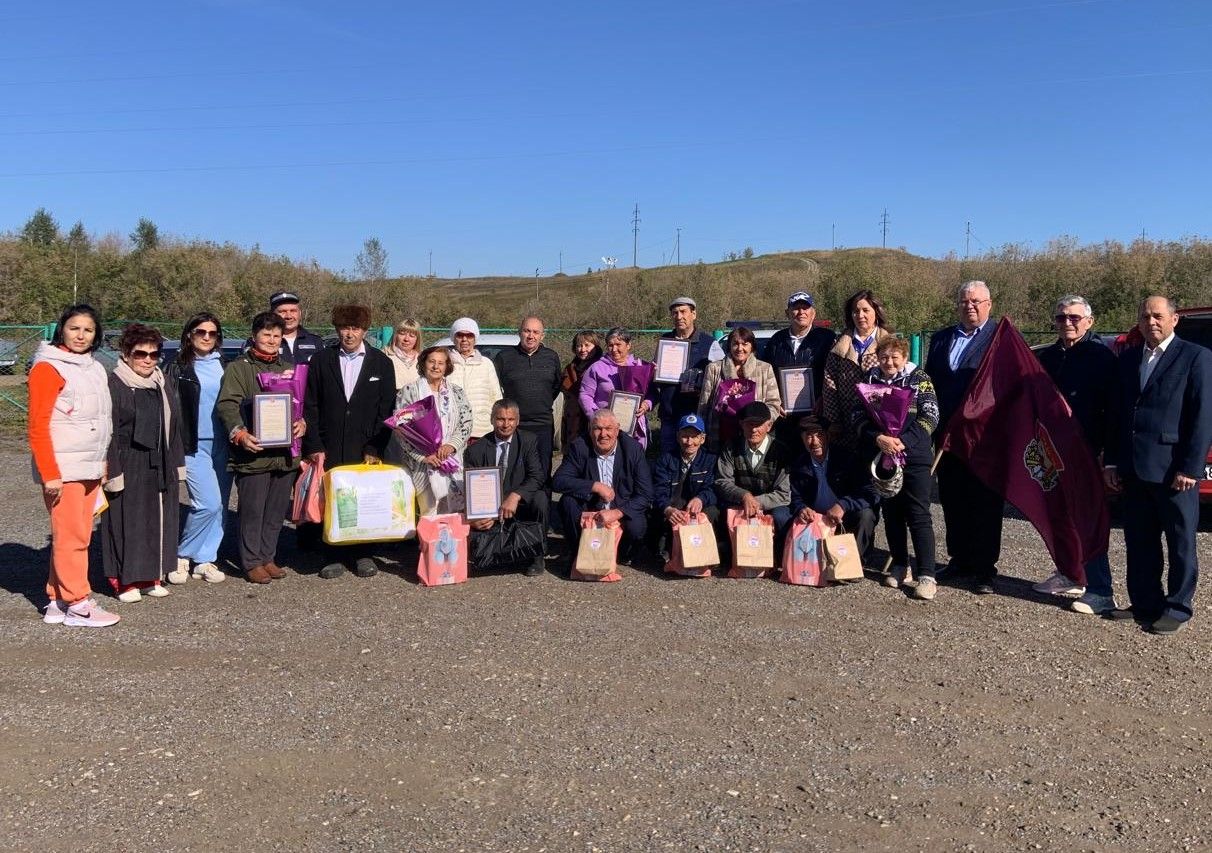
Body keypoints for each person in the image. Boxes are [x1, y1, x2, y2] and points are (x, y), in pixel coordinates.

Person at [1104, 296, 1212, 635]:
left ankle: (1178, 607)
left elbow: (1201, 417)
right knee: (1140, 541)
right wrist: (1112, 460)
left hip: (1173, 470)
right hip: (1135, 467)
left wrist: (1191, 468)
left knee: (1180, 542)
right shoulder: (1129, 358)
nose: (1151, 322)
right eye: (1145, 316)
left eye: (1158, 316)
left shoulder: (1196, 357)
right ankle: (1144, 603)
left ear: (1174, 319)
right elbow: (1119, 414)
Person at [27, 304, 120, 627]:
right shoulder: (48, 368)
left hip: (88, 466)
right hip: (63, 470)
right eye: (74, 328)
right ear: (62, 329)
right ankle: (78, 602)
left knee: (73, 535)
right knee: (72, 538)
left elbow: (100, 421)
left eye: (88, 330)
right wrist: (50, 474)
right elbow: (38, 425)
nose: (81, 335)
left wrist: (102, 461)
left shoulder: (93, 367)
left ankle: (56, 599)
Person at [1031, 295, 1118, 613]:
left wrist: (1108, 454)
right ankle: (1070, 573)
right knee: (1059, 516)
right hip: (1052, 452)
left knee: (1090, 520)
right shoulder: (1047, 358)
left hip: (1088, 453)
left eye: (1074, 318)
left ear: (1089, 321)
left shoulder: (1102, 357)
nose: (1067, 323)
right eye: (1061, 318)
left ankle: (1100, 589)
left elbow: (1114, 411)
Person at [303, 305, 397, 580]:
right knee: (333, 499)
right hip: (330, 443)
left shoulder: (381, 363)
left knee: (363, 499)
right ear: (337, 329)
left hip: (365, 445)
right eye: (344, 328)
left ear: (365, 331)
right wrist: (314, 444)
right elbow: (311, 405)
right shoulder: (321, 360)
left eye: (355, 328)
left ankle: (363, 553)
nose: (349, 334)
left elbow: (387, 410)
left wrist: (375, 446)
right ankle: (333, 553)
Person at [217, 311, 306, 583]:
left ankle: (268, 556)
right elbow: (227, 405)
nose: (271, 339)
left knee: (276, 510)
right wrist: (240, 433)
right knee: (252, 510)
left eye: (276, 335)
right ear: (255, 335)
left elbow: (300, 404)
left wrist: (303, 423)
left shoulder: (289, 368)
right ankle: (251, 560)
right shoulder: (238, 368)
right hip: (253, 453)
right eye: (266, 334)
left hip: (283, 455)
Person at [924, 280, 1001, 594]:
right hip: (947, 436)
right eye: (964, 302)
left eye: (976, 302)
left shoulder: (1000, 338)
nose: (970, 306)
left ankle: (984, 569)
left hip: (984, 437)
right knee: (953, 498)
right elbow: (930, 383)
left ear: (988, 304)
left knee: (984, 502)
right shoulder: (942, 339)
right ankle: (960, 559)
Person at [102, 324, 186, 602]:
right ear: (126, 354)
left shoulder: (161, 382)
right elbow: (108, 431)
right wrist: (113, 471)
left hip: (158, 461)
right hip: (128, 461)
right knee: (128, 522)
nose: (148, 359)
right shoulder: (115, 384)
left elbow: (173, 426)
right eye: (140, 353)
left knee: (157, 520)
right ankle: (125, 581)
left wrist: (176, 463)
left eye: (154, 353)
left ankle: (151, 576)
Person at [853, 338, 938, 599]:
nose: (889, 363)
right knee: (892, 513)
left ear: (904, 357)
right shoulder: (870, 378)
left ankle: (927, 575)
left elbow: (931, 415)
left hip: (914, 456)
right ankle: (901, 565)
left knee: (918, 514)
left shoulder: (919, 378)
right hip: (883, 455)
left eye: (894, 358)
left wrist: (904, 442)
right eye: (884, 357)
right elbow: (857, 415)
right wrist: (877, 437)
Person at [165, 312, 230, 585]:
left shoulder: (227, 365)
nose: (206, 337)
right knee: (207, 503)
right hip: (192, 445)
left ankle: (206, 559)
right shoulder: (175, 368)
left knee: (221, 506)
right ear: (189, 335)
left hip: (225, 443)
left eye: (212, 333)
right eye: (200, 332)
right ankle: (182, 555)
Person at [552, 409, 654, 567]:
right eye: (597, 428)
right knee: (568, 502)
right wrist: (594, 486)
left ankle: (622, 554)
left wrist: (617, 513)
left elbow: (646, 494)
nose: (603, 434)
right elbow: (558, 481)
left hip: (621, 507)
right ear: (590, 430)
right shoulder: (579, 447)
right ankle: (578, 550)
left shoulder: (632, 449)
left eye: (608, 429)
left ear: (618, 429)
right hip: (592, 508)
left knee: (637, 527)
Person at [464, 399, 549, 576]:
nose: (506, 424)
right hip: (491, 508)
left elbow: (537, 476)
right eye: (501, 419)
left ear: (517, 421)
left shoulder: (528, 441)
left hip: (519, 503)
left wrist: (516, 495)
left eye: (511, 419)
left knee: (540, 498)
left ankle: (537, 555)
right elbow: (472, 490)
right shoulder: (476, 450)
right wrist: (475, 517)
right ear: (492, 420)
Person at [789, 414, 879, 570]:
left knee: (866, 514)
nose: (815, 442)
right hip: (816, 522)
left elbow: (871, 493)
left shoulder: (847, 458)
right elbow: (795, 497)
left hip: (844, 519)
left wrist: (843, 505)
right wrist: (801, 509)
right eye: (809, 436)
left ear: (828, 436)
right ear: (802, 438)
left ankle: (854, 565)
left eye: (819, 435)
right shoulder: (799, 464)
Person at [393, 345, 474, 515]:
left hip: (452, 462)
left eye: (441, 363)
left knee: (455, 515)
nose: (436, 367)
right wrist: (424, 457)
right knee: (429, 515)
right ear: (423, 364)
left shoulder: (457, 392)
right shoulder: (409, 391)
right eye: (431, 362)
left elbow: (466, 423)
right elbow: (401, 429)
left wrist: (451, 445)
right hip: (424, 466)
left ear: (447, 367)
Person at [714, 401, 795, 555]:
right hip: (739, 502)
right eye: (749, 424)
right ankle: (729, 551)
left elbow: (784, 494)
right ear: (741, 425)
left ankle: (778, 554)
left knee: (782, 516)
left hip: (771, 505)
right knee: (716, 511)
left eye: (759, 425)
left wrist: (756, 502)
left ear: (769, 426)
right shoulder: (731, 447)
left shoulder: (781, 451)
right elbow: (722, 481)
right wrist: (743, 495)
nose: (754, 429)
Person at [821, 290, 895, 452]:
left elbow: (900, 381)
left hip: (880, 423)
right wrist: (834, 421)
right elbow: (830, 383)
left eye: (866, 310)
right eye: (856, 311)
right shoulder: (839, 344)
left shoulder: (890, 342)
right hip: (846, 422)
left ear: (876, 312)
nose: (860, 315)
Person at [493, 316, 562, 482]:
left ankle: (542, 507)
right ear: (519, 333)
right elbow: (497, 389)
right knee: (514, 471)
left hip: (543, 424)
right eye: (527, 331)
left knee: (542, 470)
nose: (531, 336)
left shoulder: (551, 357)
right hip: (514, 425)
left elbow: (555, 386)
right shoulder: (504, 357)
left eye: (536, 332)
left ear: (542, 336)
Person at [765, 290, 837, 444]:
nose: (801, 312)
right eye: (796, 308)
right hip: (784, 417)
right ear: (787, 313)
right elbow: (766, 375)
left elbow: (835, 373)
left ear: (813, 313)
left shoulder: (827, 338)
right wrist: (774, 401)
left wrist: (825, 398)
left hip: (817, 415)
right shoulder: (776, 341)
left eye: (805, 308)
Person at [655, 297, 725, 453]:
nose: (679, 317)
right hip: (670, 413)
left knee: (696, 459)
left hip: (697, 415)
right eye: (675, 313)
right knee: (668, 459)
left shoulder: (709, 343)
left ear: (694, 314)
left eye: (683, 312)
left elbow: (721, 376)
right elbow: (657, 379)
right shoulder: (664, 341)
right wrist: (655, 372)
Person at [698, 326, 782, 453]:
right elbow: (704, 405)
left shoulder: (765, 369)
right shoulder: (714, 369)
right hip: (721, 433)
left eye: (745, 344)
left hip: (754, 433)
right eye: (735, 344)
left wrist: (761, 422)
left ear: (752, 347)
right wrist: (701, 434)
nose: (740, 348)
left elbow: (774, 403)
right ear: (729, 346)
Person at [650, 413, 719, 560]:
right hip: (673, 508)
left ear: (703, 439)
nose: (689, 442)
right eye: (685, 436)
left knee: (712, 512)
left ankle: (704, 551)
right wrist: (667, 509)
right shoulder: (665, 460)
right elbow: (658, 490)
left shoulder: (710, 459)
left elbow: (713, 488)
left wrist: (701, 499)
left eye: (694, 437)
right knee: (657, 516)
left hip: (696, 509)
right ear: (677, 437)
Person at [578, 327, 656, 448]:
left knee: (633, 463)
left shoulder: (641, 366)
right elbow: (585, 395)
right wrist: (596, 416)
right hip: (605, 429)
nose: (614, 349)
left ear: (628, 345)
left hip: (634, 428)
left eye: (618, 344)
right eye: (610, 345)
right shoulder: (596, 368)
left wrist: (646, 405)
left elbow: (653, 393)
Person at [560, 330, 602, 448]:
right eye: (579, 345)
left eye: (587, 345)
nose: (582, 349)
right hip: (572, 422)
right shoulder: (569, 369)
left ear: (596, 347)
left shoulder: (601, 368)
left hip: (592, 420)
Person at [267, 291, 324, 365]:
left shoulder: (316, 341)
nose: (289, 316)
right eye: (282, 311)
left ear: (300, 313)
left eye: (293, 311)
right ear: (272, 314)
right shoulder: (262, 342)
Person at [382, 317, 423, 391]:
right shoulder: (384, 356)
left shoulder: (422, 359)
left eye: (411, 335)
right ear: (396, 336)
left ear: (417, 339)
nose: (406, 339)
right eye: (402, 334)